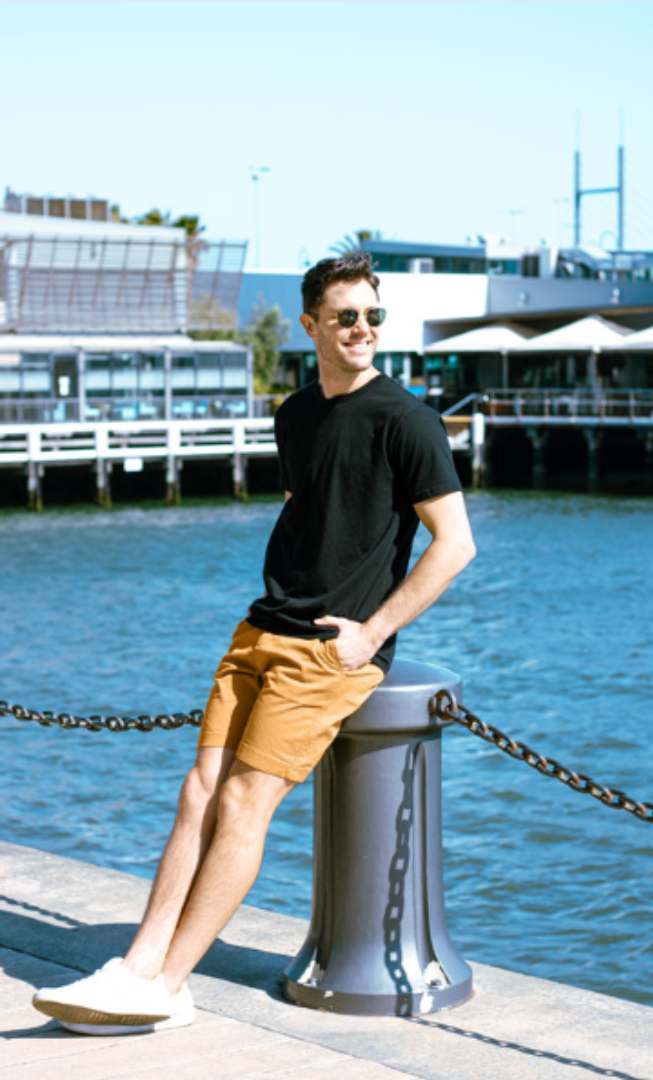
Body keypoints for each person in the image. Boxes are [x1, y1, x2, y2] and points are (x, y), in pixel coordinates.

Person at [32, 252, 474, 1035]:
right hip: (263, 626)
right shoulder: (294, 415)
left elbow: (455, 545)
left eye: (373, 316)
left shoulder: (407, 421)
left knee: (244, 801)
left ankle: (169, 986)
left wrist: (372, 632)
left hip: (331, 651)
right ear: (312, 326)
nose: (362, 329)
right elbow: (309, 509)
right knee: (199, 792)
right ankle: (137, 965)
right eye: (345, 317)